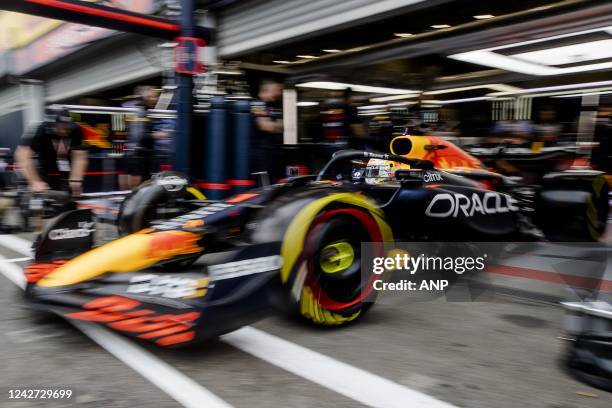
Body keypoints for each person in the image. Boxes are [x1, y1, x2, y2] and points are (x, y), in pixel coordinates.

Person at [15, 107, 88, 196]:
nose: (66, 130)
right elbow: (22, 155)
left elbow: (79, 157)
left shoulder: (76, 130)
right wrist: (34, 181)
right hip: (43, 168)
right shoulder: (39, 130)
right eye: (62, 127)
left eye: (68, 127)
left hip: (65, 169)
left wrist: (76, 180)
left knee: (69, 196)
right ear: (52, 125)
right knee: (41, 195)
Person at [125, 86, 173, 188]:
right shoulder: (138, 110)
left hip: (147, 153)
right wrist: (158, 134)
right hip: (137, 153)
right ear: (145, 97)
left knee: (149, 182)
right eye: (153, 97)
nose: (156, 99)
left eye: (156, 96)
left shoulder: (148, 110)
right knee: (137, 185)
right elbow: (138, 136)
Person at [252, 79, 283, 180]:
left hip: (275, 151)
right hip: (261, 153)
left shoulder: (276, 104)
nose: (278, 92)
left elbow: (283, 126)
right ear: (266, 90)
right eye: (276, 90)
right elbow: (264, 126)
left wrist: (273, 125)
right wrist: (275, 126)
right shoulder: (256, 104)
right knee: (265, 183)